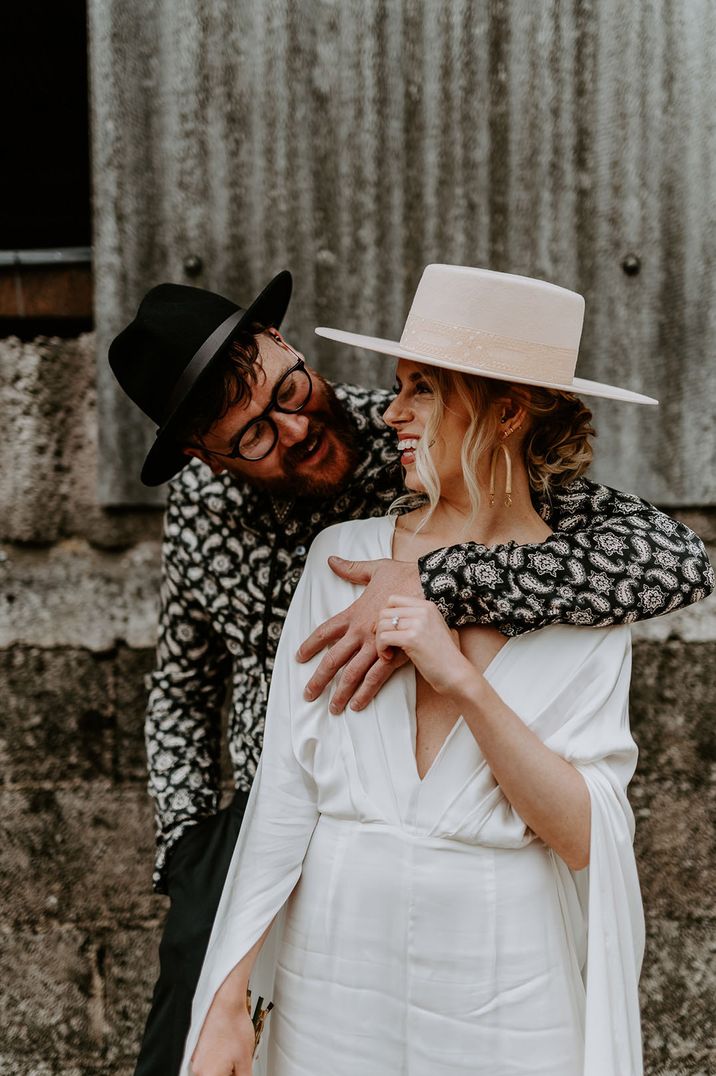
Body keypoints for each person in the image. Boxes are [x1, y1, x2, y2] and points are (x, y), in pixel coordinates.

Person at [107, 268, 713, 1076]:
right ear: (203, 455)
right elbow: (184, 685)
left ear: (287, 347)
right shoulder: (206, 521)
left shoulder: (395, 435)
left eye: (288, 390)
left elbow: (667, 557)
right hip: (264, 829)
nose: (291, 429)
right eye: (251, 434)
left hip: (480, 938)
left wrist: (439, 579)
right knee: (182, 1050)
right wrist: (185, 848)